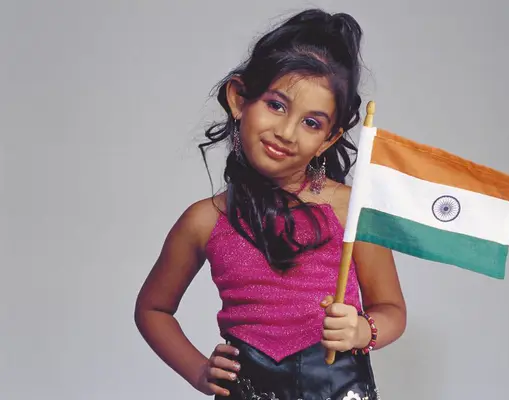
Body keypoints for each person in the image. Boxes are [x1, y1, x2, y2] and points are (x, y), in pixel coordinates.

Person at [134, 8, 407, 400]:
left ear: (329, 139)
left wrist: (364, 330)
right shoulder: (203, 220)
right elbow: (152, 309)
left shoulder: (353, 209)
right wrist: (197, 371)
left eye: (312, 123)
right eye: (277, 105)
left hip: (338, 386)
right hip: (249, 389)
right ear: (239, 98)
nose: (286, 132)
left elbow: (391, 308)